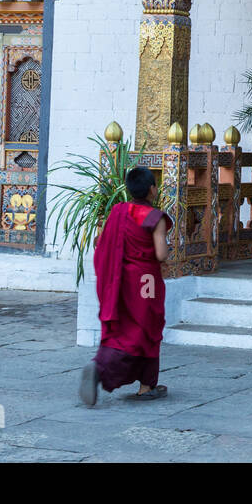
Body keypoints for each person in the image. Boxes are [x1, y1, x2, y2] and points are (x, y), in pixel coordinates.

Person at [79, 166, 172, 405]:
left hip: (121, 280)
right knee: (147, 329)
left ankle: (142, 382)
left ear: (129, 190)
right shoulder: (155, 218)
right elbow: (161, 254)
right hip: (146, 281)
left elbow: (104, 245)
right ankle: (110, 371)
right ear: (153, 189)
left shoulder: (120, 211)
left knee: (125, 328)